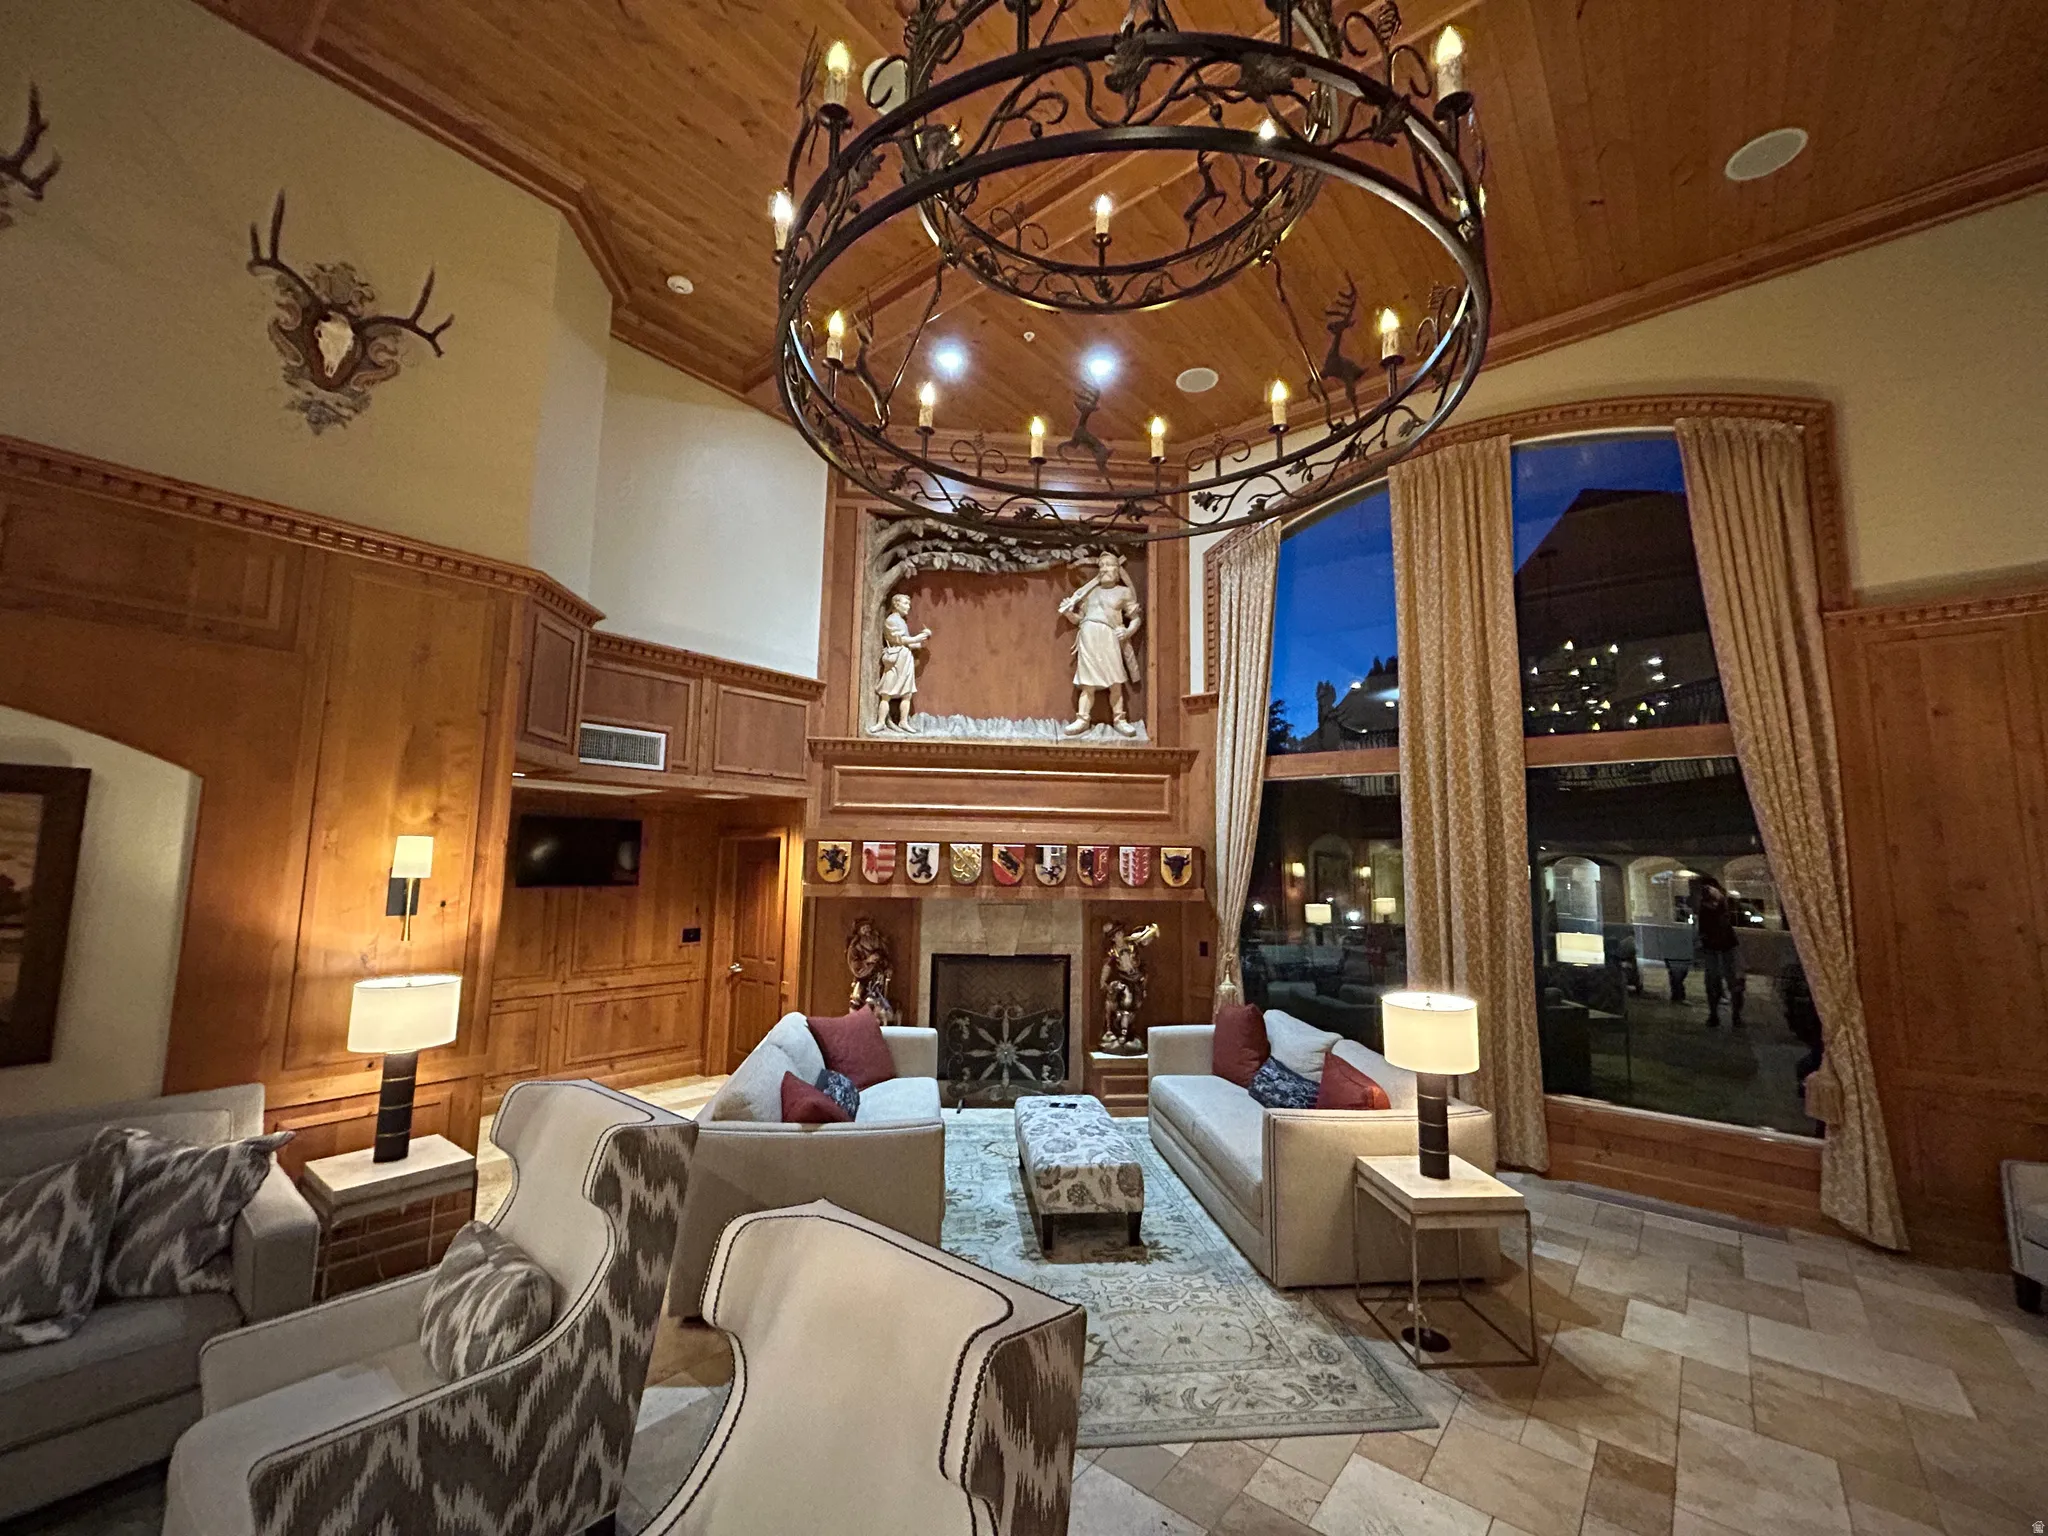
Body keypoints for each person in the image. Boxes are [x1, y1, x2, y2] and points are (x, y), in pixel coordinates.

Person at [1058, 551, 1143, 737]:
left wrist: (1127, 631)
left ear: (1118, 569)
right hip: (1088, 638)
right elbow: (1080, 619)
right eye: (1102, 565)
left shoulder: (1124, 592)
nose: (1104, 569)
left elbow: (1136, 619)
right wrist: (1068, 613)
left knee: (1115, 681)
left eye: (1109, 564)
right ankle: (1082, 719)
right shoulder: (1089, 592)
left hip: (1109, 637)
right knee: (1087, 683)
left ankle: (1119, 719)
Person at [872, 592, 931, 733]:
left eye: (909, 604)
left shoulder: (901, 621)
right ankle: (881, 722)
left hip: (905, 658)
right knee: (886, 693)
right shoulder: (891, 620)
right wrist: (919, 637)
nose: (908, 607)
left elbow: (908, 643)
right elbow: (901, 640)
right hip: (896, 659)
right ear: (896, 604)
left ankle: (903, 722)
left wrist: (920, 641)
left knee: (907, 693)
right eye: (905, 603)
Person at [1695, 876, 1745, 1028]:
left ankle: (1729, 1016)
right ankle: (1719, 1015)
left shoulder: (1718, 901)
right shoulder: (1708, 903)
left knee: (1730, 982)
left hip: (1723, 945)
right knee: (1717, 983)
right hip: (1717, 945)